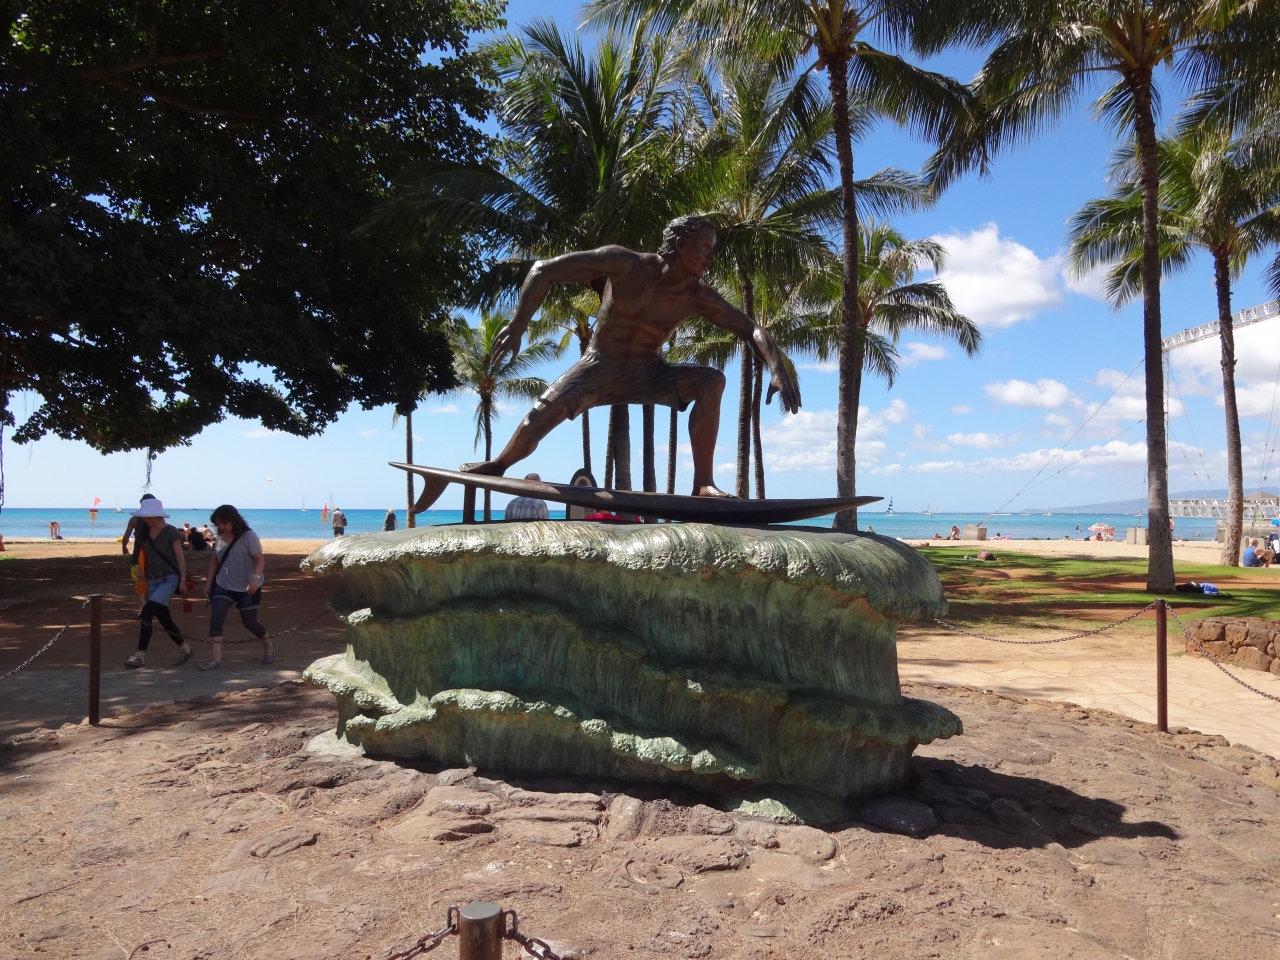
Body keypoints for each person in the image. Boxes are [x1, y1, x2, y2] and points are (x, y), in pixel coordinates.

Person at [408, 214, 802, 514]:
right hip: (598, 366)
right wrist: (518, 324)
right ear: (681, 244)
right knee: (532, 427)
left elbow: (751, 329)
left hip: (649, 372)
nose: (710, 257)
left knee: (711, 381)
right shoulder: (626, 264)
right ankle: (497, 466)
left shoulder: (697, 296)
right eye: (705, 247)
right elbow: (544, 270)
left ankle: (703, 482)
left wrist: (777, 367)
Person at [199, 504, 271, 670]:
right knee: (216, 618)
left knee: (250, 622)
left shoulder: (248, 536)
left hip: (247, 586)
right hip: (223, 583)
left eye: (224, 523)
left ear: (234, 520)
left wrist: (255, 580)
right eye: (218, 524)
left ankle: (269, 645)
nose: (221, 527)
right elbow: (215, 560)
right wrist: (209, 582)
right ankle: (217, 659)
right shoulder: (220, 538)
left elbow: (259, 559)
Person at [123, 499, 193, 668]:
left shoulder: (171, 532)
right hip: (151, 579)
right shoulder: (144, 533)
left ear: (158, 515)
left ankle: (140, 655)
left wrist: (183, 580)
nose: (146, 520)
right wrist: (141, 570)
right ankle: (186, 649)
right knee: (165, 620)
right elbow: (143, 555)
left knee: (146, 614)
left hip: (169, 578)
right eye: (144, 516)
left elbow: (180, 558)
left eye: (149, 516)